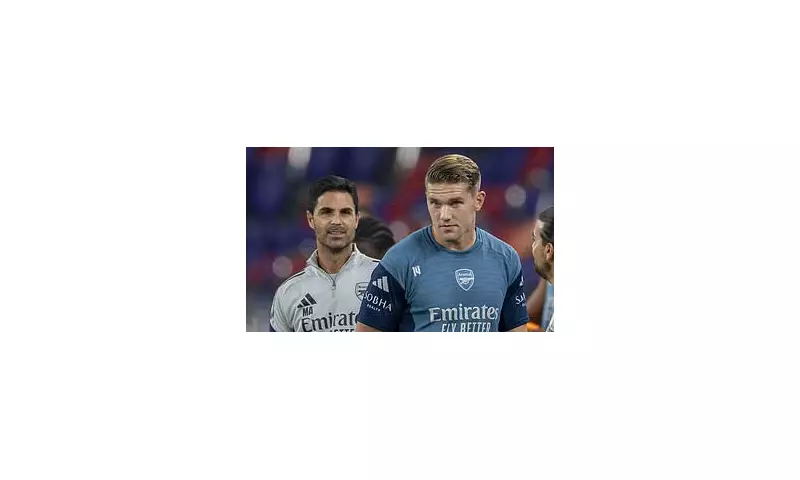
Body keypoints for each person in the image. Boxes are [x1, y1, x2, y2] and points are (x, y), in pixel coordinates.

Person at [355, 154, 528, 332]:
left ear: (478, 201)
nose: (444, 215)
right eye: (435, 203)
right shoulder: (399, 261)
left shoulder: (505, 259)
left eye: (455, 203)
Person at [269, 175, 379, 332]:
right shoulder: (288, 293)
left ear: (356, 220)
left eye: (345, 212)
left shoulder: (385, 278)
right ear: (310, 219)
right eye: (327, 212)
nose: (336, 221)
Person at [530, 206, 554, 331]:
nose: (532, 247)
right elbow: (529, 314)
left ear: (548, 250)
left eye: (534, 240)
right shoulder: (550, 276)